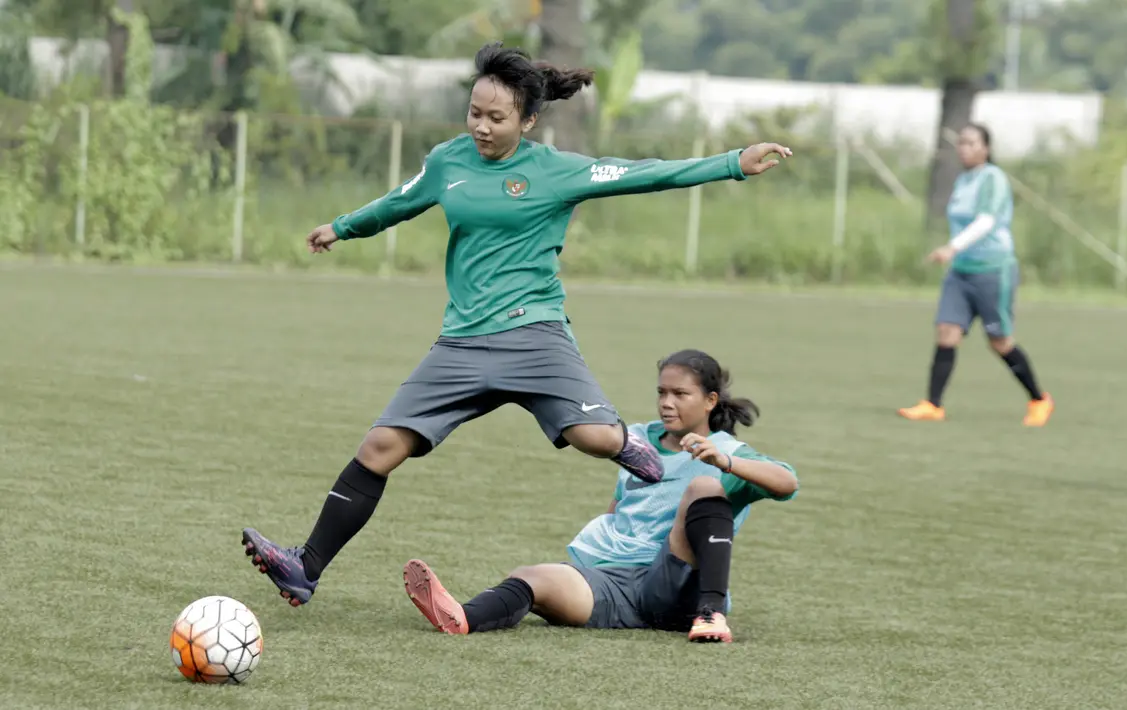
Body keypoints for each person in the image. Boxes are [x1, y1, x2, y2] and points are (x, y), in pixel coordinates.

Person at [240, 43, 793, 607]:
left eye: (496, 118)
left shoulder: (557, 171)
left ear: (527, 120)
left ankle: (626, 439)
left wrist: (733, 163)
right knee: (380, 446)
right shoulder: (448, 162)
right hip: (461, 342)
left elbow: (645, 175)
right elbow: (398, 202)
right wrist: (342, 227)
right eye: (475, 113)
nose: (481, 126)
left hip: (535, 337)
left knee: (595, 438)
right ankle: (304, 567)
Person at [400, 349, 798, 643]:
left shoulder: (728, 451)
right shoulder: (639, 440)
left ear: (710, 401)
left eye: (680, 394)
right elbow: (622, 505)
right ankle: (460, 616)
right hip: (619, 585)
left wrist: (725, 462)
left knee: (704, 487)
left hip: (676, 589)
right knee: (531, 577)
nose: (666, 402)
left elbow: (786, 482)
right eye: (662, 392)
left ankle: (710, 614)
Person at [897, 123, 1054, 425]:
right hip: (961, 272)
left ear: (986, 148)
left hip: (993, 270)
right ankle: (933, 404)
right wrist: (955, 253)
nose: (964, 148)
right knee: (946, 331)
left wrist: (951, 247)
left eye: (971, 143)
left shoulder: (993, 179)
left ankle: (1039, 399)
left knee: (999, 341)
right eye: (961, 143)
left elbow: (986, 222)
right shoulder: (963, 181)